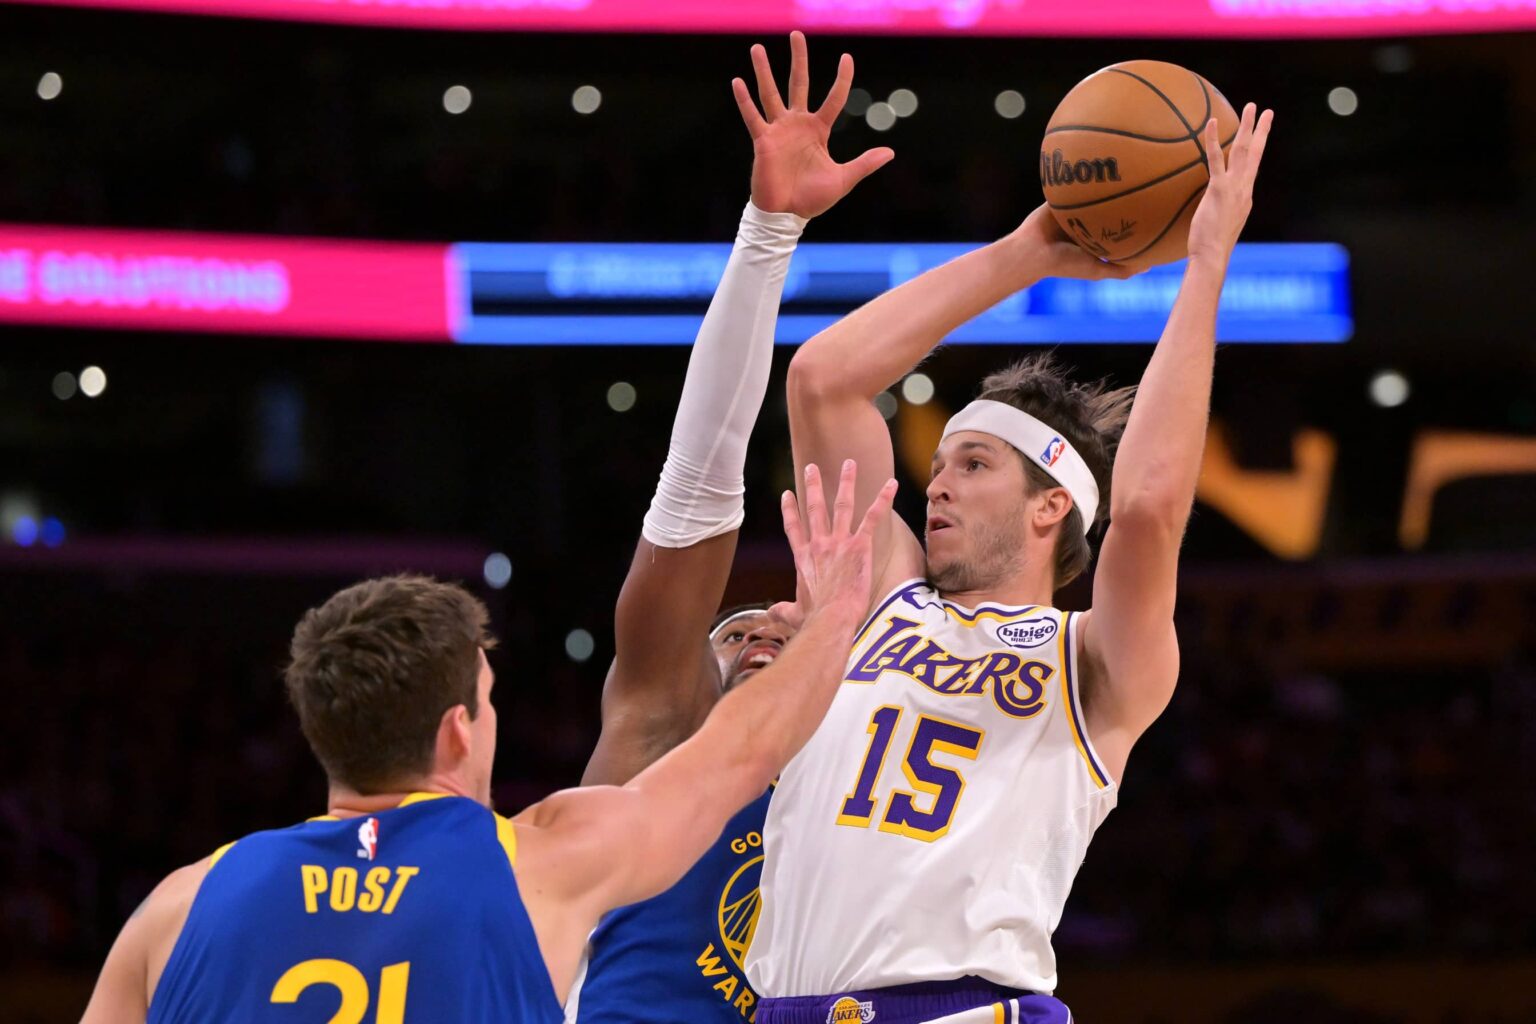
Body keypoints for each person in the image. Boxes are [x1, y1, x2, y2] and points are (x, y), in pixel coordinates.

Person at [746, 106, 1275, 1023]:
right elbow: (822, 381)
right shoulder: (875, 598)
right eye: (941, 464)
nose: (938, 486)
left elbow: (1149, 510)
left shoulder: (1096, 663)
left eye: (975, 465)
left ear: (1051, 504)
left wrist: (1205, 265)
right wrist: (1028, 251)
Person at [79, 457, 897, 1023]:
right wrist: (835, 616)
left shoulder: (179, 905)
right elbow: (740, 751)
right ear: (458, 729)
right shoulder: (535, 867)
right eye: (489, 696)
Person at [567, 31, 890, 1024]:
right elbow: (697, 488)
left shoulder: (872, 785)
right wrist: (768, 234)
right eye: (737, 631)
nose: (757, 632)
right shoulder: (661, 739)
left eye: (782, 630)